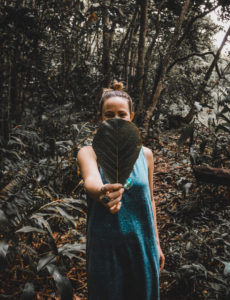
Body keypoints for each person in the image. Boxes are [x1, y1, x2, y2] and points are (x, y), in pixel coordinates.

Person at [77, 80, 165, 300]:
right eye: (109, 115)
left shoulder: (146, 154)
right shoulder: (89, 152)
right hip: (106, 247)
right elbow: (91, 181)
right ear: (100, 118)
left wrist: (156, 242)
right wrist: (103, 192)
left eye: (122, 114)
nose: (116, 120)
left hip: (142, 245)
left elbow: (150, 201)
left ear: (131, 117)